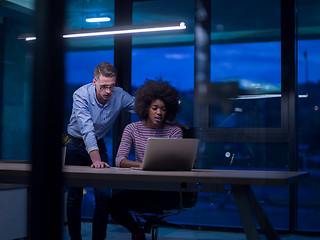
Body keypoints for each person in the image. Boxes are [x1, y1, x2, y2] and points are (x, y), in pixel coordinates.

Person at [65, 62, 135, 240]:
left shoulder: (119, 95)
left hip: (99, 142)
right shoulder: (80, 95)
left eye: (111, 86)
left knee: (104, 196)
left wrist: (169, 118)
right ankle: (75, 238)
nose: (108, 92)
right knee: (74, 196)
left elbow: (141, 108)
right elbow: (86, 128)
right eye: (104, 86)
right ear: (94, 82)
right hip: (73, 143)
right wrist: (95, 159)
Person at [109, 79, 183, 240]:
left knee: (152, 202)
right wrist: (140, 164)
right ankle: (137, 232)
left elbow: (176, 162)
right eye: (155, 108)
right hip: (142, 188)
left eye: (163, 109)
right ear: (146, 108)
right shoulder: (132, 129)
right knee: (112, 204)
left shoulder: (174, 131)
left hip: (166, 190)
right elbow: (119, 159)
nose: (159, 112)